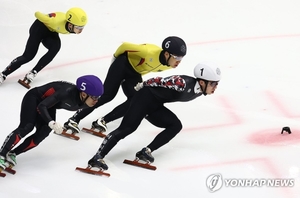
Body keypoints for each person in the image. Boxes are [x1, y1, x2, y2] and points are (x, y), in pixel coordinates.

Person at [86, 62, 222, 170]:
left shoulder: (200, 90)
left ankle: (146, 151)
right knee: (127, 128)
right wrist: (143, 85)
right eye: (213, 84)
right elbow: (160, 80)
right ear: (202, 82)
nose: (215, 87)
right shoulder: (183, 83)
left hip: (155, 105)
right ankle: (97, 157)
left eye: (216, 84)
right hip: (143, 98)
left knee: (175, 125)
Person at [64, 36, 187, 134]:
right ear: (166, 54)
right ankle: (74, 119)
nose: (178, 61)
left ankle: (102, 121)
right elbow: (124, 46)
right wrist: (115, 59)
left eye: (181, 58)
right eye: (176, 57)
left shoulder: (169, 65)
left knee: (137, 100)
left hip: (134, 73)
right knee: (107, 95)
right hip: (122, 64)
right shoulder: (148, 51)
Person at [0, 75, 104, 170]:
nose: (96, 101)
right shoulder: (66, 92)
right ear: (84, 93)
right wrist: (51, 122)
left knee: (43, 132)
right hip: (34, 98)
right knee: (27, 126)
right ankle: (2, 154)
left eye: (98, 97)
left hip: (50, 105)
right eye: (94, 97)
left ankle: (13, 153)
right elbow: (42, 106)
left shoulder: (88, 101)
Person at [0, 7, 88, 85]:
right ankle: (3, 74)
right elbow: (37, 14)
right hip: (38, 28)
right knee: (28, 56)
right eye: (79, 28)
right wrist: (44, 16)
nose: (81, 31)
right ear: (70, 24)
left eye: (82, 28)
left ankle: (33, 72)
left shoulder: (69, 25)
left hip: (50, 31)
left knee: (55, 48)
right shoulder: (56, 21)